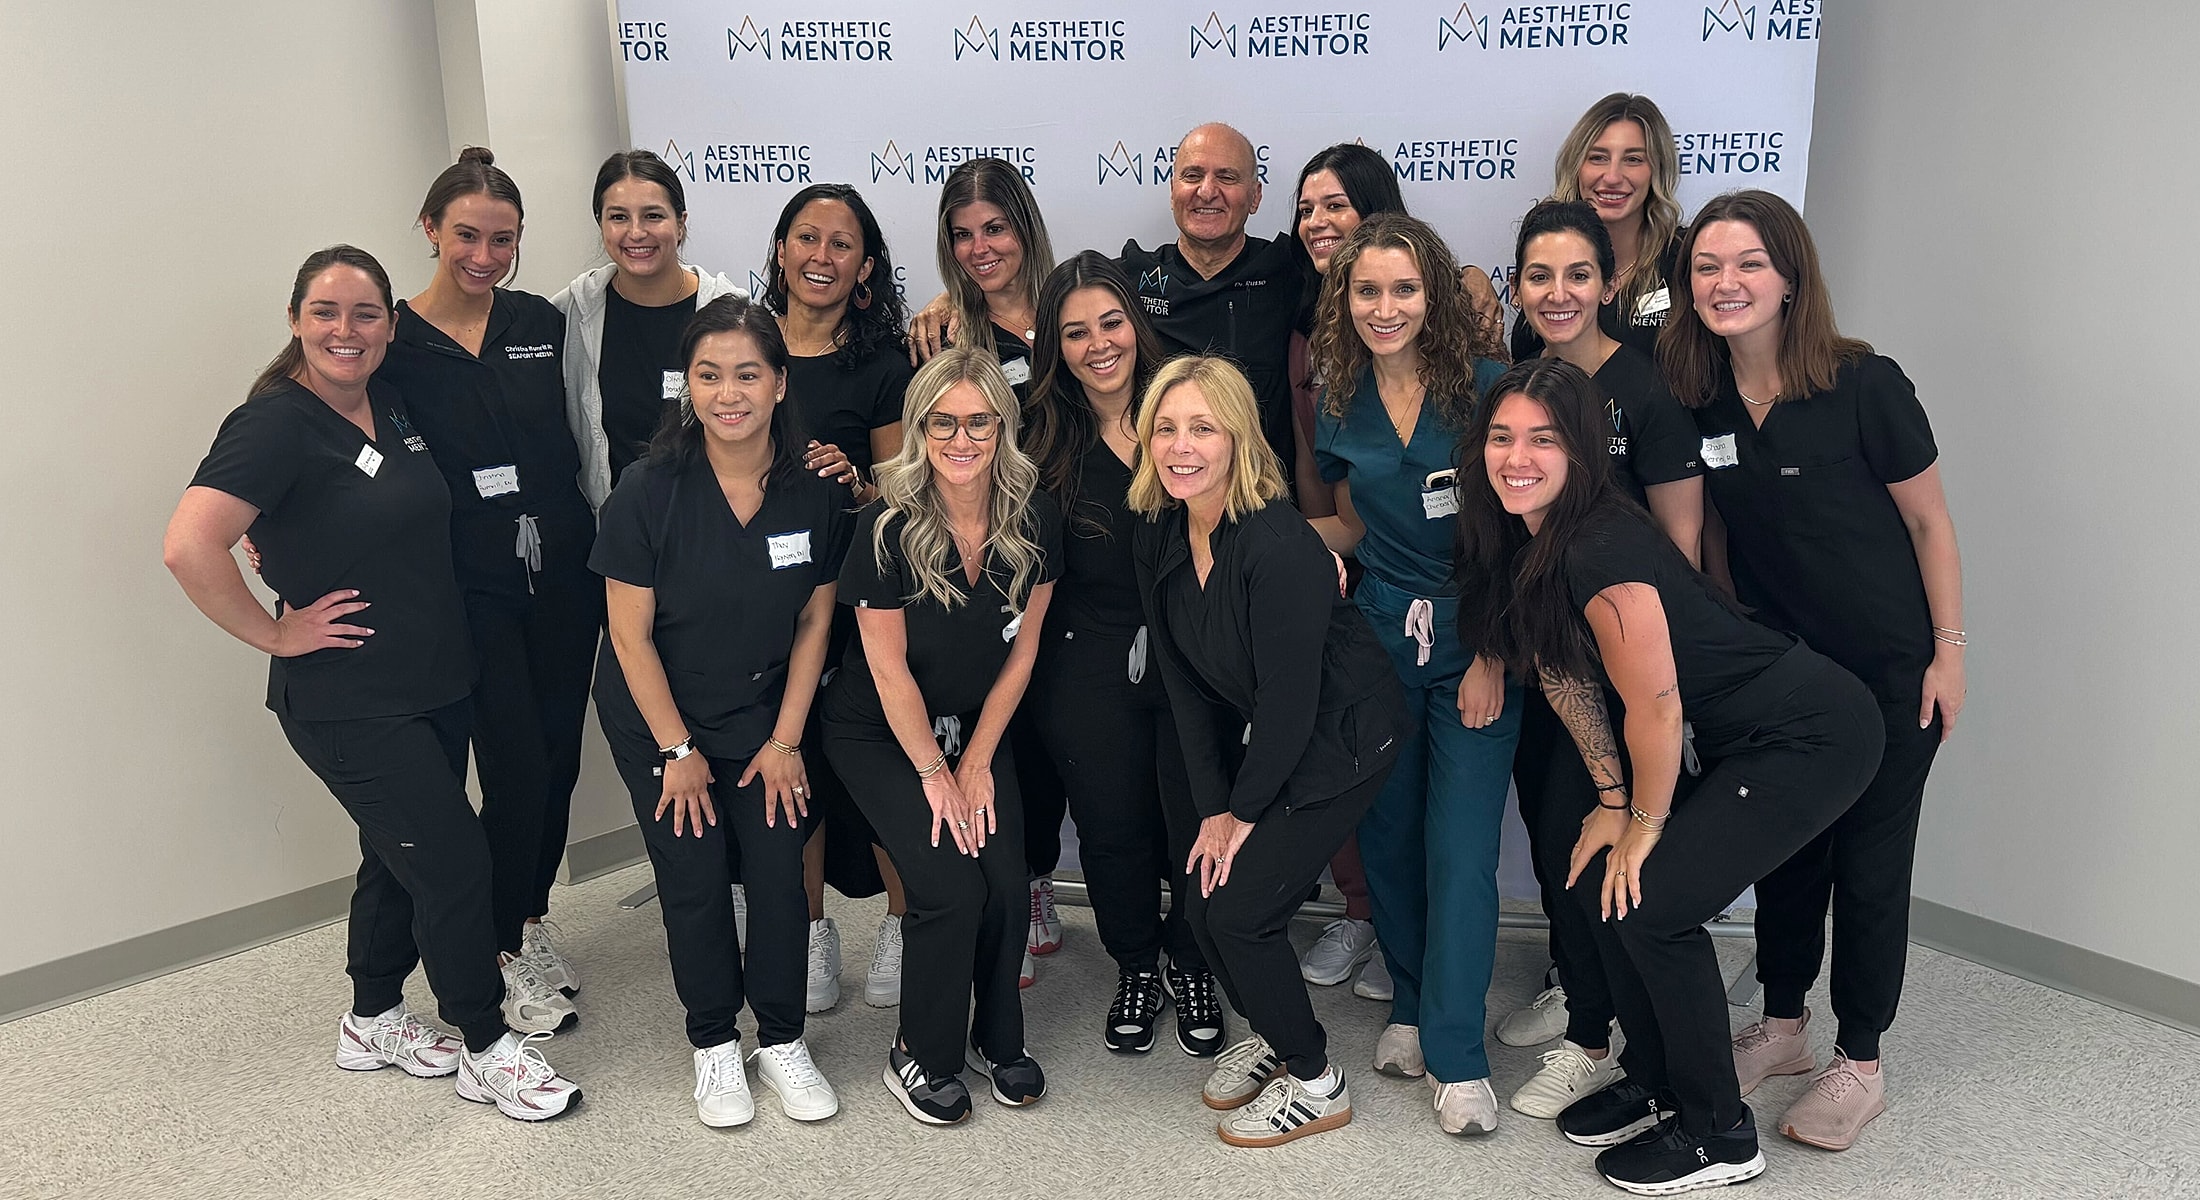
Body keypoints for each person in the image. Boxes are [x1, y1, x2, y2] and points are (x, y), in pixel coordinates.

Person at [163, 245, 581, 1121]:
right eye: (326, 312)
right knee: (457, 859)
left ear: (390, 325)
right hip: (350, 699)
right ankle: (484, 1042)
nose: (345, 331)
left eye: (364, 315)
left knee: (397, 857)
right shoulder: (275, 423)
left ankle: (372, 1019)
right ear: (296, 320)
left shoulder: (390, 405)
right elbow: (188, 544)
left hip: (434, 681)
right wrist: (275, 629)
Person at [1458, 357, 1883, 1194]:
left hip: (1811, 733)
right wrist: (1611, 804)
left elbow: (1654, 709)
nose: (1517, 457)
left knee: (1651, 907)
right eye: (1502, 437)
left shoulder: (1600, 548)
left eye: (1543, 440)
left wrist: (1643, 823)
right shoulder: (1523, 536)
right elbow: (1564, 677)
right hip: (1743, 739)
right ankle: (1657, 1080)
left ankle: (1718, 1133)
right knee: (1597, 887)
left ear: (1581, 451)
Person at [1664, 189, 1968, 1152]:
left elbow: (1930, 522)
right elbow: (1710, 535)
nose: (1727, 282)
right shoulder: (1698, 399)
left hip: (1889, 671)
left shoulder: (1862, 383)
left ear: (1790, 277)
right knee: (1785, 855)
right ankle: (1786, 1026)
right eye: (1708, 266)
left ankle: (1860, 1062)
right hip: (1782, 678)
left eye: (1748, 262)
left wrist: (1950, 655)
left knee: (1870, 867)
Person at [1128, 355, 1406, 1148]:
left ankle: (1317, 1082)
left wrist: (1243, 814)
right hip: (1274, 736)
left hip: (1346, 736)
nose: (1181, 446)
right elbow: (1182, 684)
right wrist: (1215, 808)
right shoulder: (1160, 525)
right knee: (1201, 904)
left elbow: (1292, 702)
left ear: (1239, 439)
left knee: (1241, 913)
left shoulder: (1277, 543)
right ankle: (1277, 1038)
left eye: (1202, 428)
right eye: (1166, 428)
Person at [592, 296, 847, 1128]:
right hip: (659, 714)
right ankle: (712, 1044)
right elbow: (629, 641)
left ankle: (780, 1040)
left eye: (747, 373)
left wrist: (785, 739)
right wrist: (676, 752)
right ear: (687, 387)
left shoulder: (813, 490)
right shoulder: (648, 490)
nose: (727, 392)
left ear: (779, 382)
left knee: (778, 870)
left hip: (765, 712)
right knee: (695, 877)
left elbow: (815, 620)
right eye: (708, 375)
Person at [374, 148, 597, 1034]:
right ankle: (500, 947)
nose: (483, 254)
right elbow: (308, 413)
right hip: (468, 586)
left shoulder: (539, 322)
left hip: (562, 575)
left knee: (555, 760)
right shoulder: (392, 340)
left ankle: (530, 918)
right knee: (512, 761)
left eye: (502, 239)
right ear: (430, 229)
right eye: (466, 234)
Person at [1302, 213, 1513, 1137]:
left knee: (1461, 851)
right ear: (1344, 303)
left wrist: (1497, 652)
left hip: (1477, 636)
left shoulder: (1492, 392)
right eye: (1366, 291)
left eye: (1403, 289)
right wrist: (1256, 545)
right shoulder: (1338, 400)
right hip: (1380, 637)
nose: (1385, 308)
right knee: (1386, 839)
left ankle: (1460, 1059)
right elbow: (1354, 526)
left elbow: (1527, 535)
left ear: (1435, 295)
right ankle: (1412, 1008)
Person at [1500, 199, 1707, 1121]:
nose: (1558, 292)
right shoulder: (1518, 384)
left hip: (1633, 676)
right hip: (1549, 665)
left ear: (1609, 283)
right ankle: (1583, 1001)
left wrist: (1669, 686)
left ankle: (1602, 1040)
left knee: (1621, 848)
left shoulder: (1648, 388)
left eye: (1577, 274)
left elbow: (1681, 545)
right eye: (1538, 275)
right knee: (1560, 844)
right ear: (1517, 286)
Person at [820, 346, 1058, 1126]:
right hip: (883, 735)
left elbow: (1023, 654)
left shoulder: (1035, 515)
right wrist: (936, 772)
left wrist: (980, 759)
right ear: (920, 427)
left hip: (977, 729)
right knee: (949, 886)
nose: (961, 439)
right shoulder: (885, 526)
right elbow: (888, 674)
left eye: (978, 421)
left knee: (1003, 877)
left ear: (1003, 425)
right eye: (942, 421)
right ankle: (917, 1052)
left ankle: (995, 1037)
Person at [1020, 251, 1227, 1057]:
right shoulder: (1039, 436)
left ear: (1136, 325)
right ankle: (1136, 965)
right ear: (1055, 346)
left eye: (1110, 322)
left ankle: (1192, 961)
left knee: (1197, 824)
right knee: (1112, 831)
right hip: (1084, 665)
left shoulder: (1189, 410)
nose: (1098, 344)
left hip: (1197, 663)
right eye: (1075, 332)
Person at [762, 181, 919, 1013]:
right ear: (782, 249)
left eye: (841, 245)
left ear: (865, 267)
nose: (821, 256)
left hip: (859, 599)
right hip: (764, 605)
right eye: (807, 238)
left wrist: (855, 484)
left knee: (878, 760)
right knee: (795, 769)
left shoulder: (885, 365)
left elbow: (901, 495)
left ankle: (900, 924)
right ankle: (810, 931)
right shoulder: (746, 345)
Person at [927, 158, 1069, 978]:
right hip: (998, 562)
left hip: (1087, 553)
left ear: (1025, 227)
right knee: (1003, 724)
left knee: (1059, 729)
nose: (982, 248)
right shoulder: (947, 335)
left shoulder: (1075, 311)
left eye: (995, 228)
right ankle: (1019, 883)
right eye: (963, 235)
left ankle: (1039, 876)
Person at [556, 148, 746, 511]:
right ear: (601, 224)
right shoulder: (571, 312)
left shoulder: (732, 313)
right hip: (615, 535)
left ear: (681, 222)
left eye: (653, 215)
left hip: (715, 526)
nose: (636, 232)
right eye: (618, 217)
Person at [1512, 94, 1685, 363]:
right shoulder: (1544, 242)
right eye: (1598, 158)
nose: (1613, 177)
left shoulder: (1685, 260)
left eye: (1634, 160)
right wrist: (1471, 275)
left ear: (1657, 170)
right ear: (1576, 166)